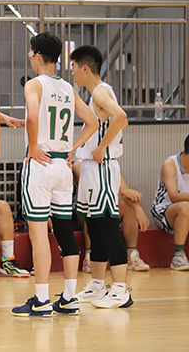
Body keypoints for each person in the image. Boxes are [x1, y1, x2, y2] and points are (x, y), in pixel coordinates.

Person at [11, 32, 98, 317]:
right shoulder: (68, 88)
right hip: (63, 166)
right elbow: (93, 122)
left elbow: (33, 117)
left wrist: (34, 146)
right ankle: (70, 298)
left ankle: (41, 299)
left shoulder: (35, 84)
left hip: (41, 164)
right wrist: (73, 147)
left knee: (39, 235)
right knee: (64, 231)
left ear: (37, 55)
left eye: (30, 54)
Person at [70, 45, 134, 308]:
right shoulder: (98, 93)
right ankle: (97, 286)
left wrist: (103, 146)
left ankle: (120, 290)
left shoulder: (99, 91)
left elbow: (122, 116)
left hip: (102, 168)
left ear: (84, 68)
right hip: (90, 169)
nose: (72, 73)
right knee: (94, 229)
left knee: (108, 227)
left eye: (73, 68)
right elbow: (121, 122)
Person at [73, 162, 151, 273]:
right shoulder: (80, 164)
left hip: (107, 206)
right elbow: (93, 191)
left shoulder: (111, 163)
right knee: (94, 209)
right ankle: (89, 256)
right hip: (82, 209)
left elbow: (127, 192)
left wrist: (138, 209)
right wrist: (122, 192)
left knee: (129, 207)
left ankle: (132, 255)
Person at [151, 133, 189, 270]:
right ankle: (178, 256)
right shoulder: (170, 164)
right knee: (185, 207)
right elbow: (174, 197)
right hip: (163, 211)